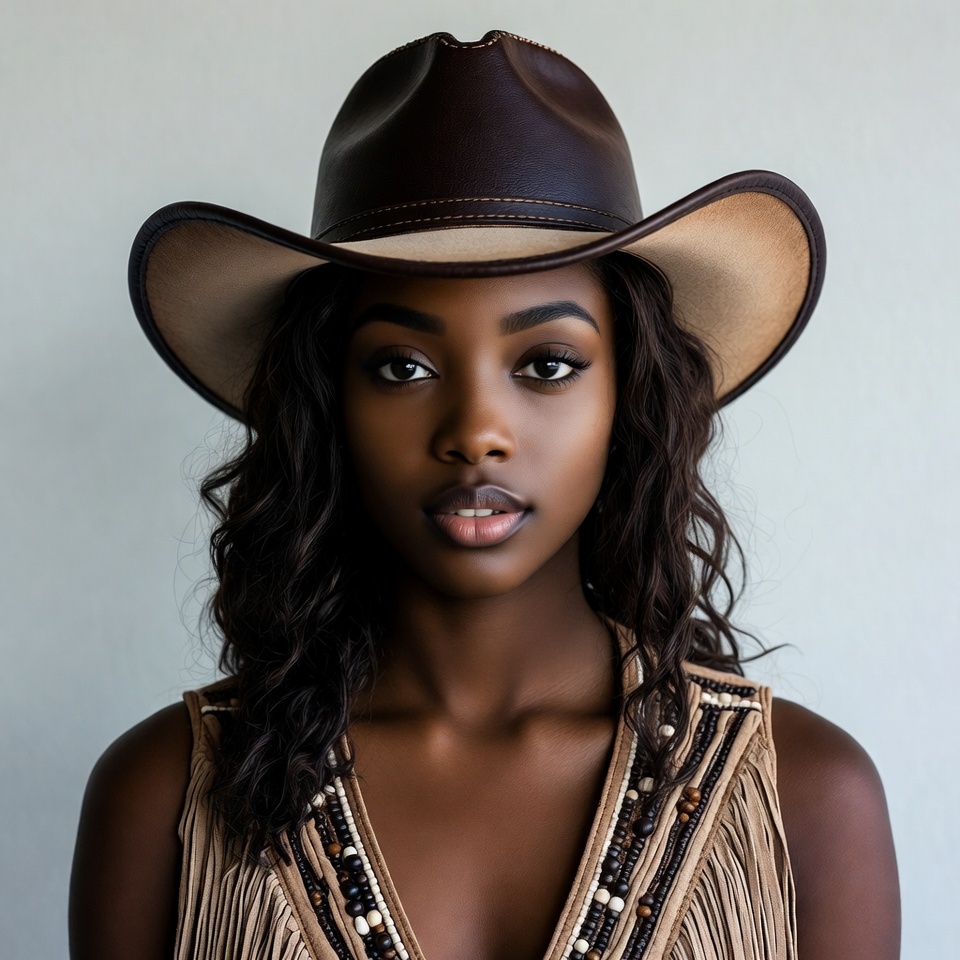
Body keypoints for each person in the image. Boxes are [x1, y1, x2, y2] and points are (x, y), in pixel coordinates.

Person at [69, 30, 899, 960]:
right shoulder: (164, 800)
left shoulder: (810, 802)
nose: (475, 429)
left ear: (630, 396)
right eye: (402, 364)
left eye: (547, 363)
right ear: (326, 402)